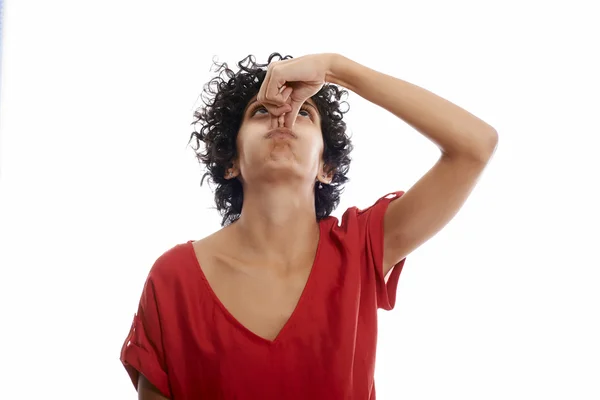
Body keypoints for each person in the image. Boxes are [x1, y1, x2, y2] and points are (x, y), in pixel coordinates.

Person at [120, 52, 498, 399]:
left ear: (325, 168)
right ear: (231, 162)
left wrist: (336, 69)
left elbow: (475, 146)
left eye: (304, 112)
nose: (283, 115)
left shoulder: (360, 249)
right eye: (260, 111)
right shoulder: (173, 279)